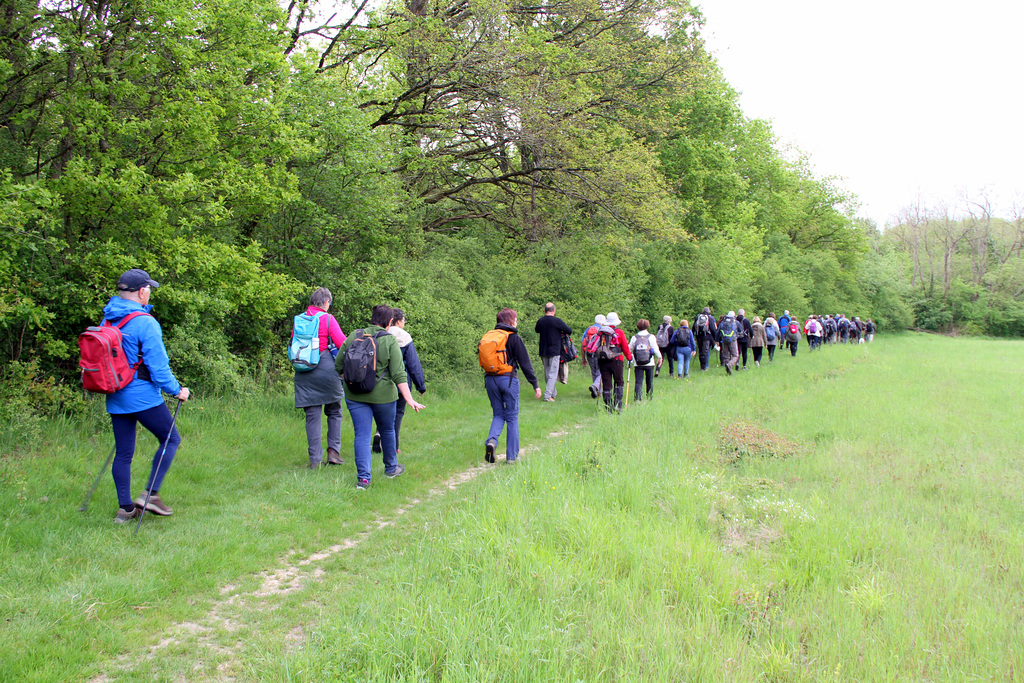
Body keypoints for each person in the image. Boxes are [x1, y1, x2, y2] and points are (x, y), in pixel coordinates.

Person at [102, 269, 190, 523]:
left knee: (123, 453)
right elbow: (159, 368)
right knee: (171, 438)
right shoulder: (145, 322)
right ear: (141, 291)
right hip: (142, 397)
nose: (150, 292)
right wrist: (178, 391)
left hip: (115, 395)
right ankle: (150, 495)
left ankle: (125, 510)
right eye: (149, 288)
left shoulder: (109, 319)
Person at [337, 305, 425, 490]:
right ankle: (391, 468)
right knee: (387, 430)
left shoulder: (355, 335)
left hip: (355, 396)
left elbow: (339, 365)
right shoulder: (390, 340)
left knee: (361, 434)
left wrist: (352, 382)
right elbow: (399, 374)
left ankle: (363, 479)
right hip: (384, 397)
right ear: (389, 322)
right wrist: (409, 399)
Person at [293, 287, 347, 469]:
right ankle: (333, 453)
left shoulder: (300, 319)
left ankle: (315, 461)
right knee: (334, 410)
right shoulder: (327, 319)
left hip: (303, 370)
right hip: (325, 369)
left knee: (312, 416)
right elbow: (342, 343)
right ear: (326, 303)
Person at [483, 308, 542, 464]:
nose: (517, 322)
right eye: (515, 319)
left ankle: (492, 441)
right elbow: (525, 364)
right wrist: (535, 384)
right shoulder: (514, 338)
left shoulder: (489, 337)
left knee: (498, 414)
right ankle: (512, 457)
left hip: (490, 380)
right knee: (512, 417)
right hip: (508, 380)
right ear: (510, 321)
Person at [371, 308, 426, 455]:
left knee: (383, 410)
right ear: (398, 321)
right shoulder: (404, 336)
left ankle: (378, 433)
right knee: (397, 413)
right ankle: (393, 447)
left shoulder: (379, 334)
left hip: (379, 381)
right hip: (400, 382)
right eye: (404, 320)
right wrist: (421, 385)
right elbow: (413, 364)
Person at [534, 302, 572, 402]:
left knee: (547, 372)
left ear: (545, 310)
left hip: (543, 350)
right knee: (553, 373)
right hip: (554, 350)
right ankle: (547, 396)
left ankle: (553, 392)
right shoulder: (557, 321)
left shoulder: (540, 321)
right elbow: (569, 330)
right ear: (554, 310)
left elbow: (537, 330)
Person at [598, 312, 633, 412]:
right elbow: (625, 347)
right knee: (619, 381)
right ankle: (618, 405)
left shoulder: (601, 332)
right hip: (617, 360)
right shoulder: (619, 332)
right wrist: (629, 357)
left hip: (603, 360)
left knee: (606, 382)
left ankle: (608, 406)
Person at [628, 319, 662, 402]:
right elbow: (655, 348)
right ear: (648, 326)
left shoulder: (634, 337)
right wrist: (660, 357)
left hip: (638, 363)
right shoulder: (651, 337)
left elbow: (629, 349)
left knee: (638, 382)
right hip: (649, 362)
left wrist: (630, 358)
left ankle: (637, 399)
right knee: (649, 381)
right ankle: (649, 398)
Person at [582, 314, 606, 398]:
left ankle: (596, 391)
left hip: (589, 353)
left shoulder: (588, 329)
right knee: (602, 371)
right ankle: (596, 387)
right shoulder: (603, 330)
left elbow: (583, 343)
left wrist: (583, 358)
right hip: (599, 354)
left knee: (594, 372)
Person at [718, 311, 740, 375]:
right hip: (733, 340)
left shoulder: (723, 322)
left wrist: (717, 340)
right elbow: (741, 330)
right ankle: (730, 365)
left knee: (726, 356)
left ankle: (727, 369)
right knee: (735, 355)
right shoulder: (736, 322)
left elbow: (718, 331)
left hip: (724, 340)